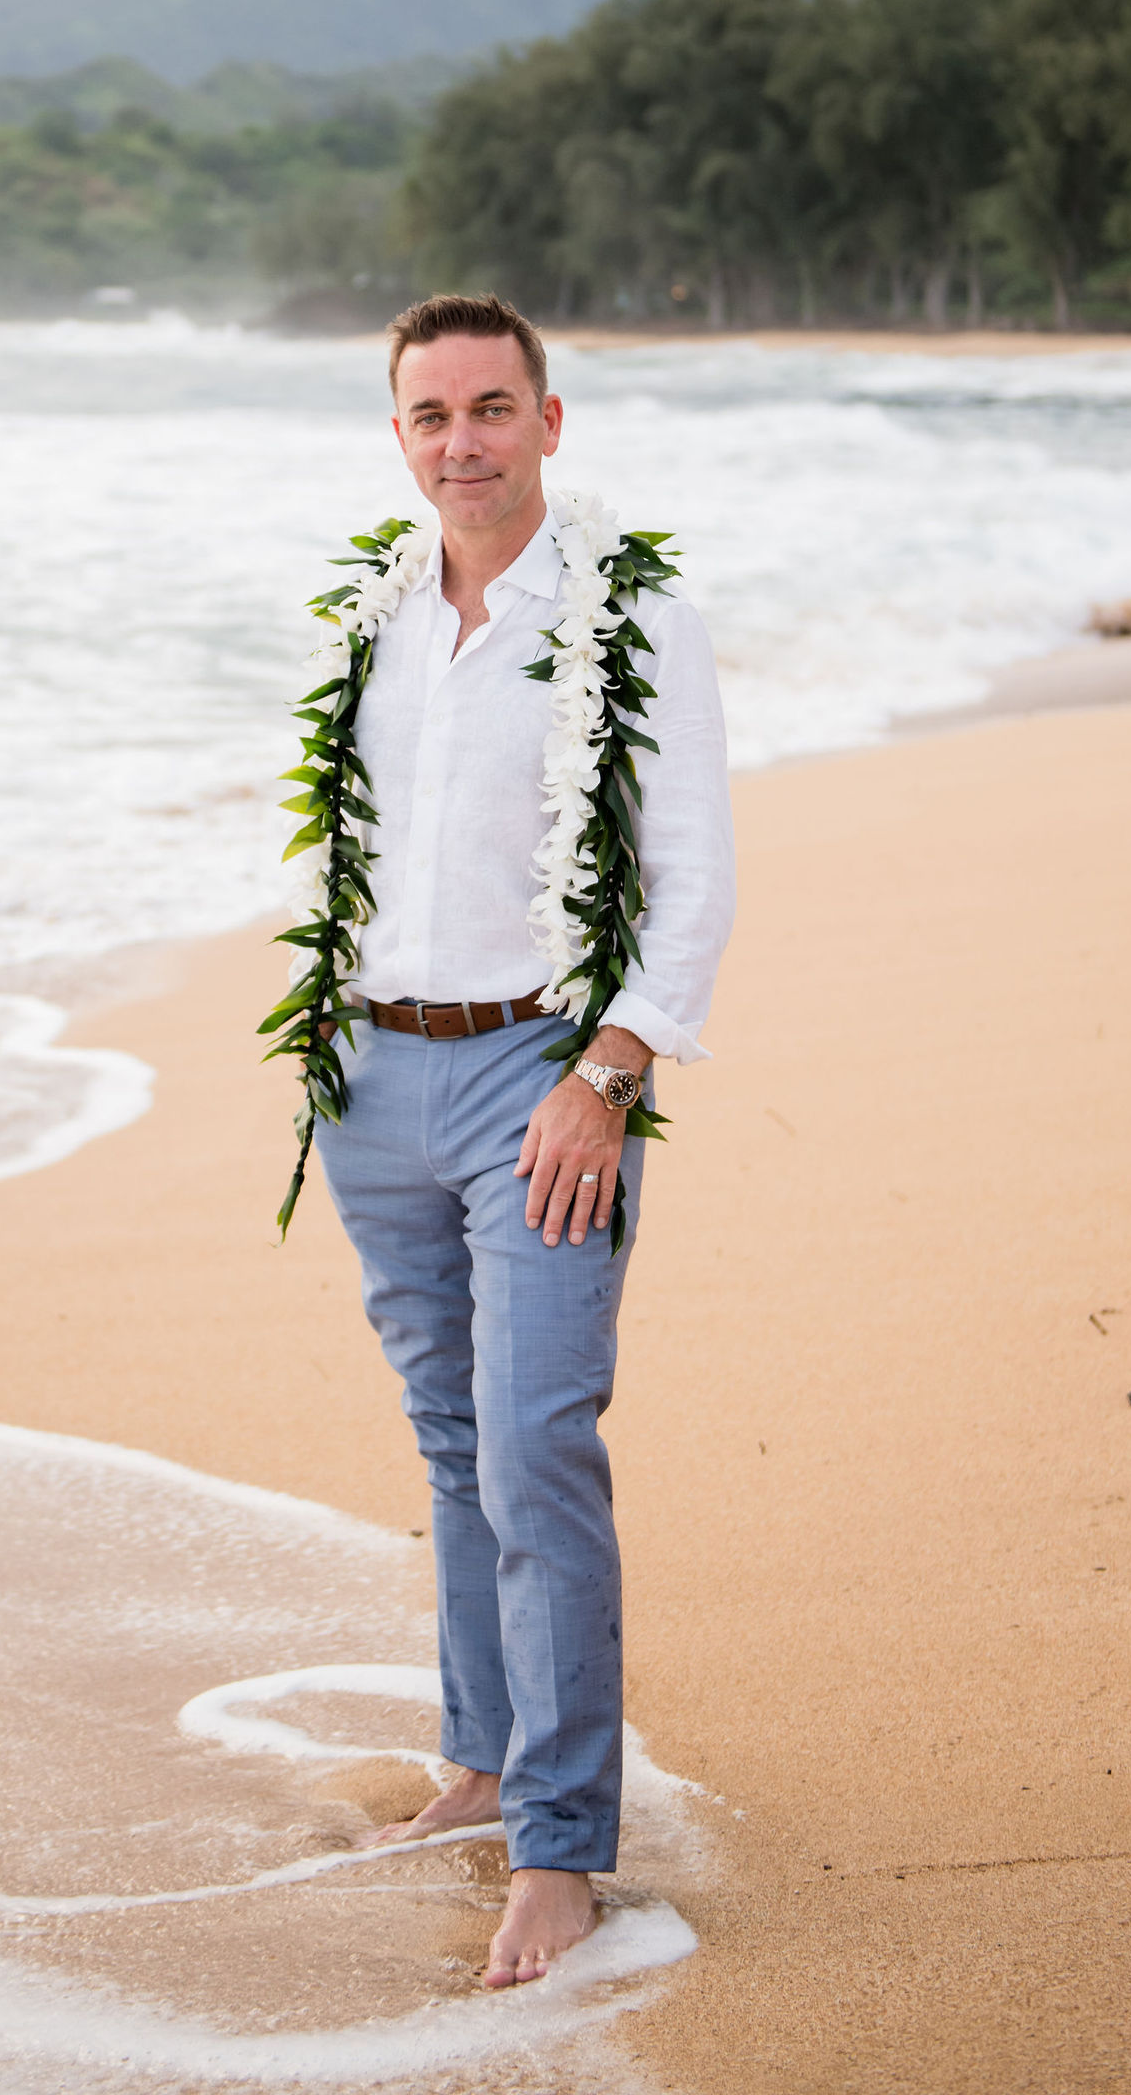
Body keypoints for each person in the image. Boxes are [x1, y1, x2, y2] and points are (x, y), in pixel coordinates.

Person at [308, 289, 734, 1988]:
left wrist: (607, 1076)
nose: (463, 442)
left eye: (493, 409)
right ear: (398, 436)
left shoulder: (635, 619)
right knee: (450, 1440)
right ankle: (481, 1766)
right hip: (373, 1081)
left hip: (540, 1080)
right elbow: (357, 851)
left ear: (548, 423)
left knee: (536, 1442)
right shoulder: (376, 614)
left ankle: (559, 1849)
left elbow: (689, 876)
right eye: (432, 415)